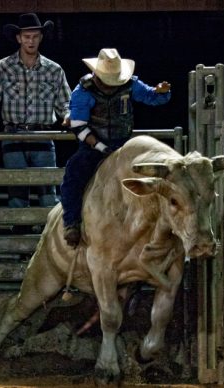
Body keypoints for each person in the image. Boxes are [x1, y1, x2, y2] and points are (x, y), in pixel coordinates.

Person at [62, 48, 171, 247]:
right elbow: (79, 126)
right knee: (74, 174)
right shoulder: (84, 91)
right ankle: (71, 223)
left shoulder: (130, 84)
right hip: (93, 146)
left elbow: (150, 96)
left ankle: (162, 224)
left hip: (123, 144)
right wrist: (102, 147)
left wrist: (161, 92)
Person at [0, 13, 71, 212]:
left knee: (47, 192)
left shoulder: (54, 70)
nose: (31, 41)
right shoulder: (3, 67)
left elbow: (65, 103)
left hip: (43, 135)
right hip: (13, 134)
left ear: (41, 38)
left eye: (35, 36)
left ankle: (47, 234)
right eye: (27, 36)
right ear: (18, 38)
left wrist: (69, 116)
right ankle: (19, 233)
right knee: (17, 190)